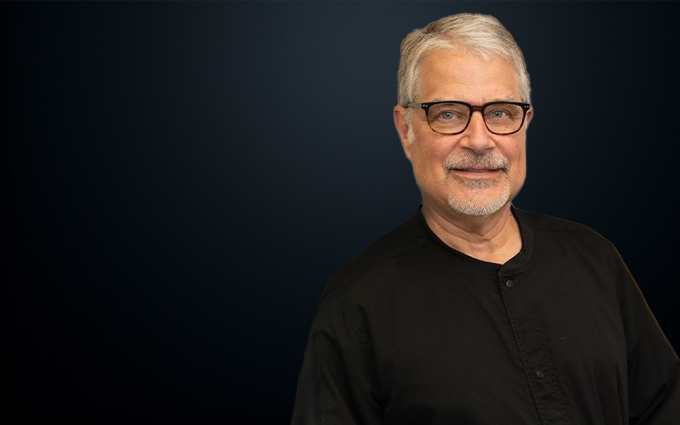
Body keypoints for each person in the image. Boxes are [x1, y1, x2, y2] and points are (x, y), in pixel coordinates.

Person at [291, 13, 679, 424]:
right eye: (447, 113)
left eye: (500, 113)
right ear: (406, 129)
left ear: (525, 124)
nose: (479, 140)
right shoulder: (354, 305)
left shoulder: (596, 259)